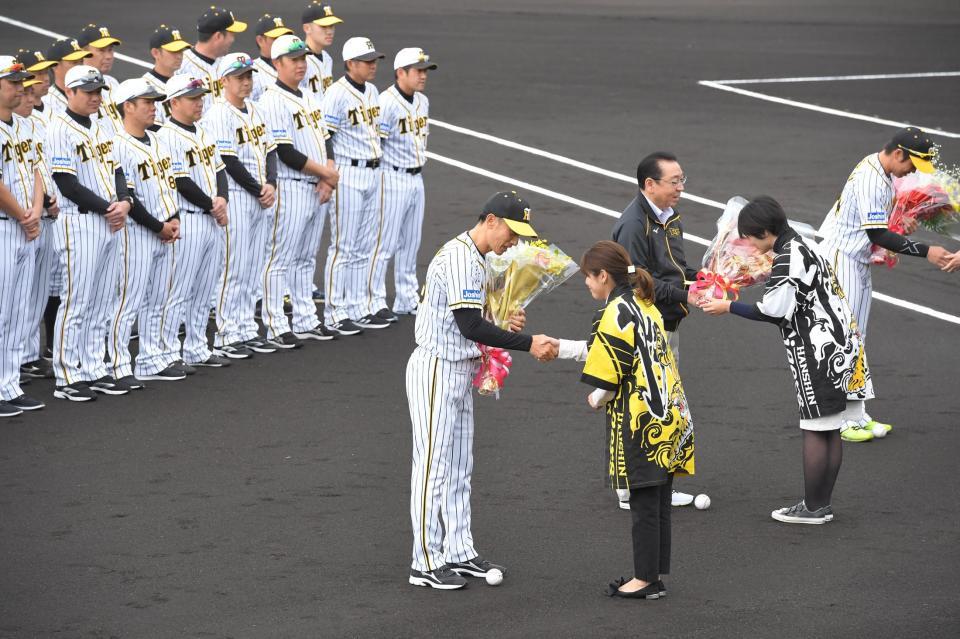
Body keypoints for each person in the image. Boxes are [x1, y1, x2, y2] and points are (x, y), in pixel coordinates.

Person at [406, 191, 558, 590]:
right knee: (433, 469)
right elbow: (470, 327)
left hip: (460, 370)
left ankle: (459, 549)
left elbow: (480, 319)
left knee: (459, 467)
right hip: (437, 369)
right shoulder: (459, 258)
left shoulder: (479, 258)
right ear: (491, 220)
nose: (515, 242)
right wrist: (527, 342)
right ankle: (424, 561)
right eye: (512, 231)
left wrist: (505, 318)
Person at [701, 196, 872, 524]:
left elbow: (773, 310)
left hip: (816, 352)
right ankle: (821, 504)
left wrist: (727, 306)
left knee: (814, 427)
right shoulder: (807, 245)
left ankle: (812, 507)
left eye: (750, 237)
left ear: (766, 232)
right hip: (843, 345)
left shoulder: (786, 258)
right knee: (831, 427)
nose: (748, 244)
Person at [556, 240, 694, 598]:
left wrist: (595, 397)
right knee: (660, 499)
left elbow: (610, 372)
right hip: (670, 412)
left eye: (588, 276)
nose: (586, 283)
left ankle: (644, 580)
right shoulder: (643, 304)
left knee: (644, 501)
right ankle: (654, 575)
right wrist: (561, 348)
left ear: (603, 276)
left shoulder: (613, 312)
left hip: (641, 417)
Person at [816, 128, 953, 442]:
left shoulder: (882, 172)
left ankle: (855, 414)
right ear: (898, 154)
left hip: (856, 262)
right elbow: (877, 235)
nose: (914, 172)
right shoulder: (870, 178)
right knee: (844, 340)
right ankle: (838, 419)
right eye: (913, 164)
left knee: (856, 338)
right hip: (841, 261)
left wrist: (900, 222)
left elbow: (878, 226)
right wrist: (927, 250)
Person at [611, 150, 699, 509]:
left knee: (662, 404)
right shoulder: (634, 225)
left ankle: (653, 482)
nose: (681, 187)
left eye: (682, 180)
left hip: (668, 323)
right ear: (650, 184)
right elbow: (638, 283)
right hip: (646, 327)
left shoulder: (670, 217)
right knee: (647, 404)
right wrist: (689, 294)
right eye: (674, 181)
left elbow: (674, 268)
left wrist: (707, 278)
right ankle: (635, 486)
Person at [46, 65, 132, 400]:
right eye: (89, 92)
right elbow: (66, 184)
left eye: (98, 92)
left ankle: (94, 367)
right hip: (79, 222)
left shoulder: (101, 127)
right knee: (78, 300)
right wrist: (109, 208)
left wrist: (124, 201)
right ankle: (67, 376)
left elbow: (118, 170)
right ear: (70, 92)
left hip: (108, 220)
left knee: (102, 299)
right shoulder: (58, 129)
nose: (96, 97)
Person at [257, 35, 340, 348]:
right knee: (280, 259)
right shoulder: (271, 101)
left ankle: (305, 319)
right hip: (290, 188)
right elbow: (286, 152)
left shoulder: (310, 97)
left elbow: (326, 139)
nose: (301, 64)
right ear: (277, 64)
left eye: (303, 58)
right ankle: (276, 324)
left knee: (306, 258)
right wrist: (326, 174)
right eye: (294, 60)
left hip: (315, 187)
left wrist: (327, 177)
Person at [202, 52, 280, 355]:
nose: (246, 82)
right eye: (239, 77)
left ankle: (246, 326)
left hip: (259, 198)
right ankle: (226, 333)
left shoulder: (257, 111)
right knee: (232, 267)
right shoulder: (218, 115)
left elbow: (271, 150)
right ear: (224, 81)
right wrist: (259, 188)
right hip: (236, 198)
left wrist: (270, 184)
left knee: (252, 265)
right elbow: (228, 161)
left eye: (248, 76)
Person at [109, 78, 183, 385]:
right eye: (147, 103)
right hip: (138, 233)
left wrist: (174, 219)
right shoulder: (117, 146)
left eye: (154, 102)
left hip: (165, 229)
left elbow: (169, 186)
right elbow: (128, 197)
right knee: (128, 301)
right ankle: (118, 365)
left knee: (158, 299)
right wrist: (159, 226)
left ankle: (152, 359)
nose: (154, 108)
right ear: (128, 107)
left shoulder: (159, 141)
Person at [156, 74, 230, 370]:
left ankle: (197, 347)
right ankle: (169, 351)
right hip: (187, 219)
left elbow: (220, 168)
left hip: (211, 218)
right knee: (178, 289)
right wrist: (212, 205)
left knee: (204, 288)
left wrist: (222, 198)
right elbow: (180, 181)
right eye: (192, 98)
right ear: (174, 102)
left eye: (200, 97)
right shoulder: (166, 137)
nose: (199, 102)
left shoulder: (204, 131)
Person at [321, 36, 388, 334]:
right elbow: (326, 136)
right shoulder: (335, 94)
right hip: (348, 174)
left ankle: (360, 306)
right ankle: (335, 312)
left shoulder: (372, 91)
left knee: (365, 245)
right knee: (344, 246)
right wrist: (329, 172)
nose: (373, 66)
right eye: (367, 61)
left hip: (374, 172)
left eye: (374, 60)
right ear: (350, 64)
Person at [375, 48, 436, 317]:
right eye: (418, 70)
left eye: (425, 70)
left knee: (411, 242)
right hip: (392, 176)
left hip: (416, 177)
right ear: (401, 72)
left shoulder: (422, 101)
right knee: (384, 243)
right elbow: (377, 144)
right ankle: (375, 300)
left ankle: (406, 297)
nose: (423, 75)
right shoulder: (385, 102)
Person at [0, 56, 45, 416]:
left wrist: (35, 209)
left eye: (21, 83)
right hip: (4, 225)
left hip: (23, 226)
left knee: (17, 311)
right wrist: (24, 215)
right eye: (13, 83)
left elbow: (36, 173)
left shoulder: (23, 127)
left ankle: (8, 385)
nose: (21, 88)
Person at [14, 49, 58, 383]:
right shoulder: (14, 126)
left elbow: (42, 170)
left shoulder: (40, 121)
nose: (37, 86)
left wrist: (48, 202)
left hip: (43, 217)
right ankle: (15, 359)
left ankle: (26, 355)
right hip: (20, 219)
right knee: (15, 297)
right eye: (27, 86)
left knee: (36, 292)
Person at [179, 6, 246, 112]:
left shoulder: (229, 63)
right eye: (231, 34)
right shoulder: (180, 67)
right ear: (218, 36)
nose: (233, 39)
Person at [76, 23, 123, 135]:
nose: (108, 56)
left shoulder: (112, 82)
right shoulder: (76, 89)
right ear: (84, 53)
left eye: (110, 50)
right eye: (101, 50)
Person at [142, 25, 192, 129]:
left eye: (181, 50)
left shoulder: (184, 81)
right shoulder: (145, 88)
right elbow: (152, 129)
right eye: (174, 51)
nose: (179, 56)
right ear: (156, 53)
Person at [41, 38, 93, 118]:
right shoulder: (47, 103)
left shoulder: (92, 93)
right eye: (74, 62)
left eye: (81, 62)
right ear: (55, 66)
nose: (79, 67)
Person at [301, 2, 342, 99]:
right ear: (307, 28)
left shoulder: (327, 58)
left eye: (331, 26)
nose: (329, 32)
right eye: (323, 26)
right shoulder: (297, 59)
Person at [250, 14, 293, 101]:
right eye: (276, 38)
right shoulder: (251, 73)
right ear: (260, 40)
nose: (281, 41)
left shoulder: (295, 67)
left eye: (284, 37)